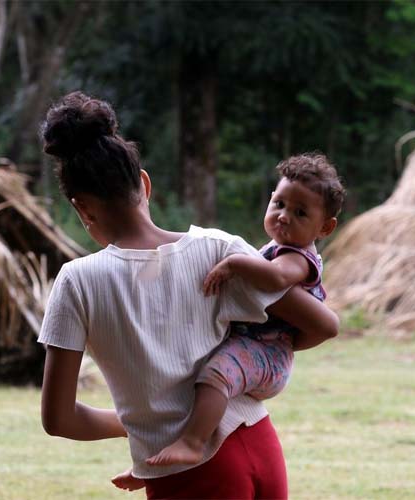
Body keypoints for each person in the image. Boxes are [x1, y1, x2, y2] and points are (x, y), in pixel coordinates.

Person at [37, 91, 340, 499]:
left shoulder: (76, 283)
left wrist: (140, 422)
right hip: (259, 443)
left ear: (82, 208)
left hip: (188, 473)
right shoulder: (218, 248)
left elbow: (59, 419)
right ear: (144, 184)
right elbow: (322, 324)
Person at [146, 153, 344, 467]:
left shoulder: (298, 259)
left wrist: (236, 262)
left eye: (300, 212)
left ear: (325, 227)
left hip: (267, 352)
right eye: (279, 204)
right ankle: (163, 445)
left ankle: (193, 442)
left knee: (215, 375)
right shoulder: (276, 247)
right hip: (256, 344)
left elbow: (276, 278)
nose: (283, 216)